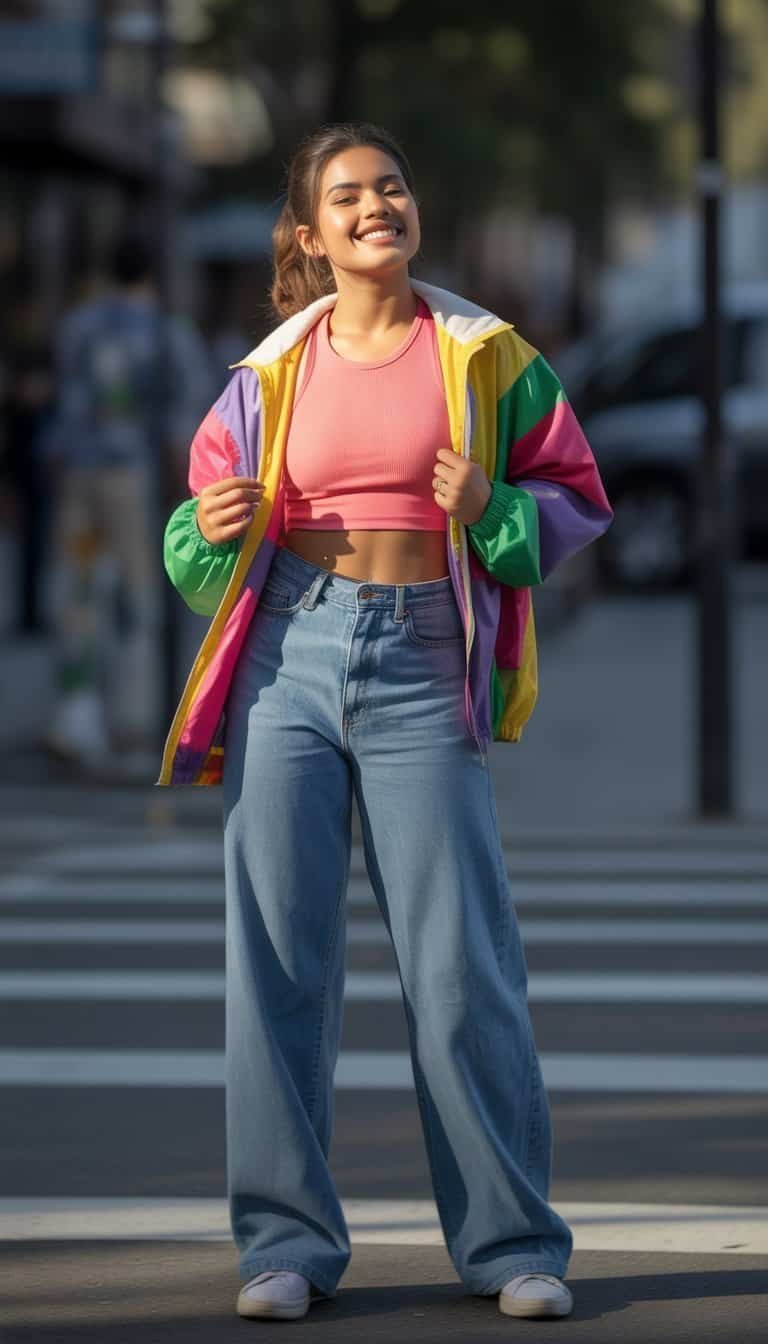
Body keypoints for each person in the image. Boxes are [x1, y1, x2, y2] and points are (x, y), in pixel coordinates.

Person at [159, 122, 613, 1322]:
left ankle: (512, 1241)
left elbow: (576, 498)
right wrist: (201, 535)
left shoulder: (485, 352)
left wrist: (493, 504)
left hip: (421, 655)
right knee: (278, 960)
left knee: (461, 960)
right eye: (349, 195)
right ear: (310, 235)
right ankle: (286, 1248)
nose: (379, 206)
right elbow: (192, 538)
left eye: (393, 187)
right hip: (286, 656)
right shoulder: (263, 374)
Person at [44, 234, 215, 765]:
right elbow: (184, 417)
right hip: (133, 476)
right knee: (141, 596)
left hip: (78, 472)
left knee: (79, 589)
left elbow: (62, 401)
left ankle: (76, 710)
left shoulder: (79, 326)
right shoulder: (167, 332)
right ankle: (134, 716)